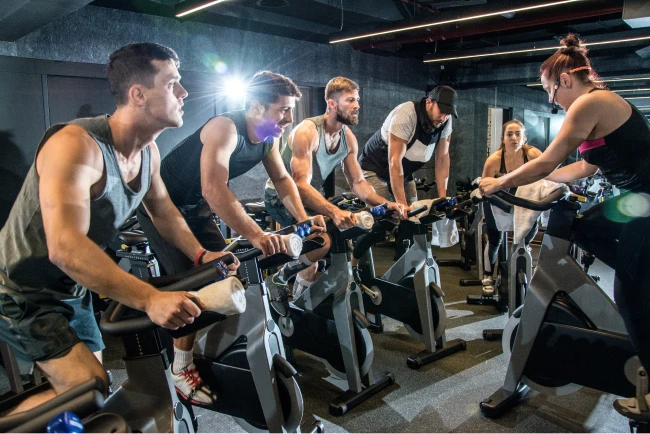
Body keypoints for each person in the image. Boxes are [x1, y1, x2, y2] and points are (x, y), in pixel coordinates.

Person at [0, 43, 237, 415]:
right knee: (87, 390)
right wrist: (148, 298)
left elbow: (164, 213)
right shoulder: (77, 146)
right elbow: (65, 247)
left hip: (73, 287)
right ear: (138, 94)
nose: (184, 92)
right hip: (22, 287)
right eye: (173, 83)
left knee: (88, 394)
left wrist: (201, 254)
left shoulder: (148, 153)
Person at [479, 34, 650, 421]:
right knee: (586, 228)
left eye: (550, 92)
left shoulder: (592, 102)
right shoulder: (598, 107)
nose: (552, 101)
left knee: (629, 293)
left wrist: (503, 182)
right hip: (638, 198)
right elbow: (583, 167)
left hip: (646, 199)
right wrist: (545, 183)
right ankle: (639, 274)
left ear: (566, 80)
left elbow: (547, 160)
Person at [137, 70, 329, 404]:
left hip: (194, 206)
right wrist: (256, 234)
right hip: (162, 207)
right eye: (283, 109)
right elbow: (214, 188)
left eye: (291, 111)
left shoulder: (269, 135)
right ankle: (180, 367)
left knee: (224, 277)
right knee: (194, 283)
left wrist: (303, 218)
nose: (289, 118)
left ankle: (214, 343)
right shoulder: (225, 128)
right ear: (256, 106)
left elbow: (284, 181)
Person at [264, 76, 404, 292]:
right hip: (280, 195)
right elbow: (299, 184)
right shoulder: (307, 131)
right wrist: (334, 211)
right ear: (331, 103)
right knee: (320, 242)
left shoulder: (348, 138)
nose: (357, 105)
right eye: (349, 100)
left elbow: (358, 182)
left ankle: (304, 303)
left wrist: (385, 204)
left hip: (309, 193)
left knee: (347, 229)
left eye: (357, 100)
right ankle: (280, 279)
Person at [358, 85, 458, 207]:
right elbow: (395, 161)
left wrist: (443, 199)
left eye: (447, 114)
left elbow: (442, 158)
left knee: (413, 214)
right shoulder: (406, 114)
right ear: (429, 102)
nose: (443, 117)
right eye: (441, 111)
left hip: (403, 172)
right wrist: (401, 203)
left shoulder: (445, 120)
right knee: (384, 214)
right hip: (375, 168)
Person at [480, 120, 541, 295]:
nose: (514, 138)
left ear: (524, 138)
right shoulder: (494, 160)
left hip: (523, 201)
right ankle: (488, 276)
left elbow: (546, 174)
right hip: (498, 201)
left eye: (518, 134)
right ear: (503, 138)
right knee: (495, 239)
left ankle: (519, 265)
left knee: (524, 238)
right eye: (509, 134)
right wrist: (506, 207)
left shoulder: (533, 154)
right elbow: (484, 189)